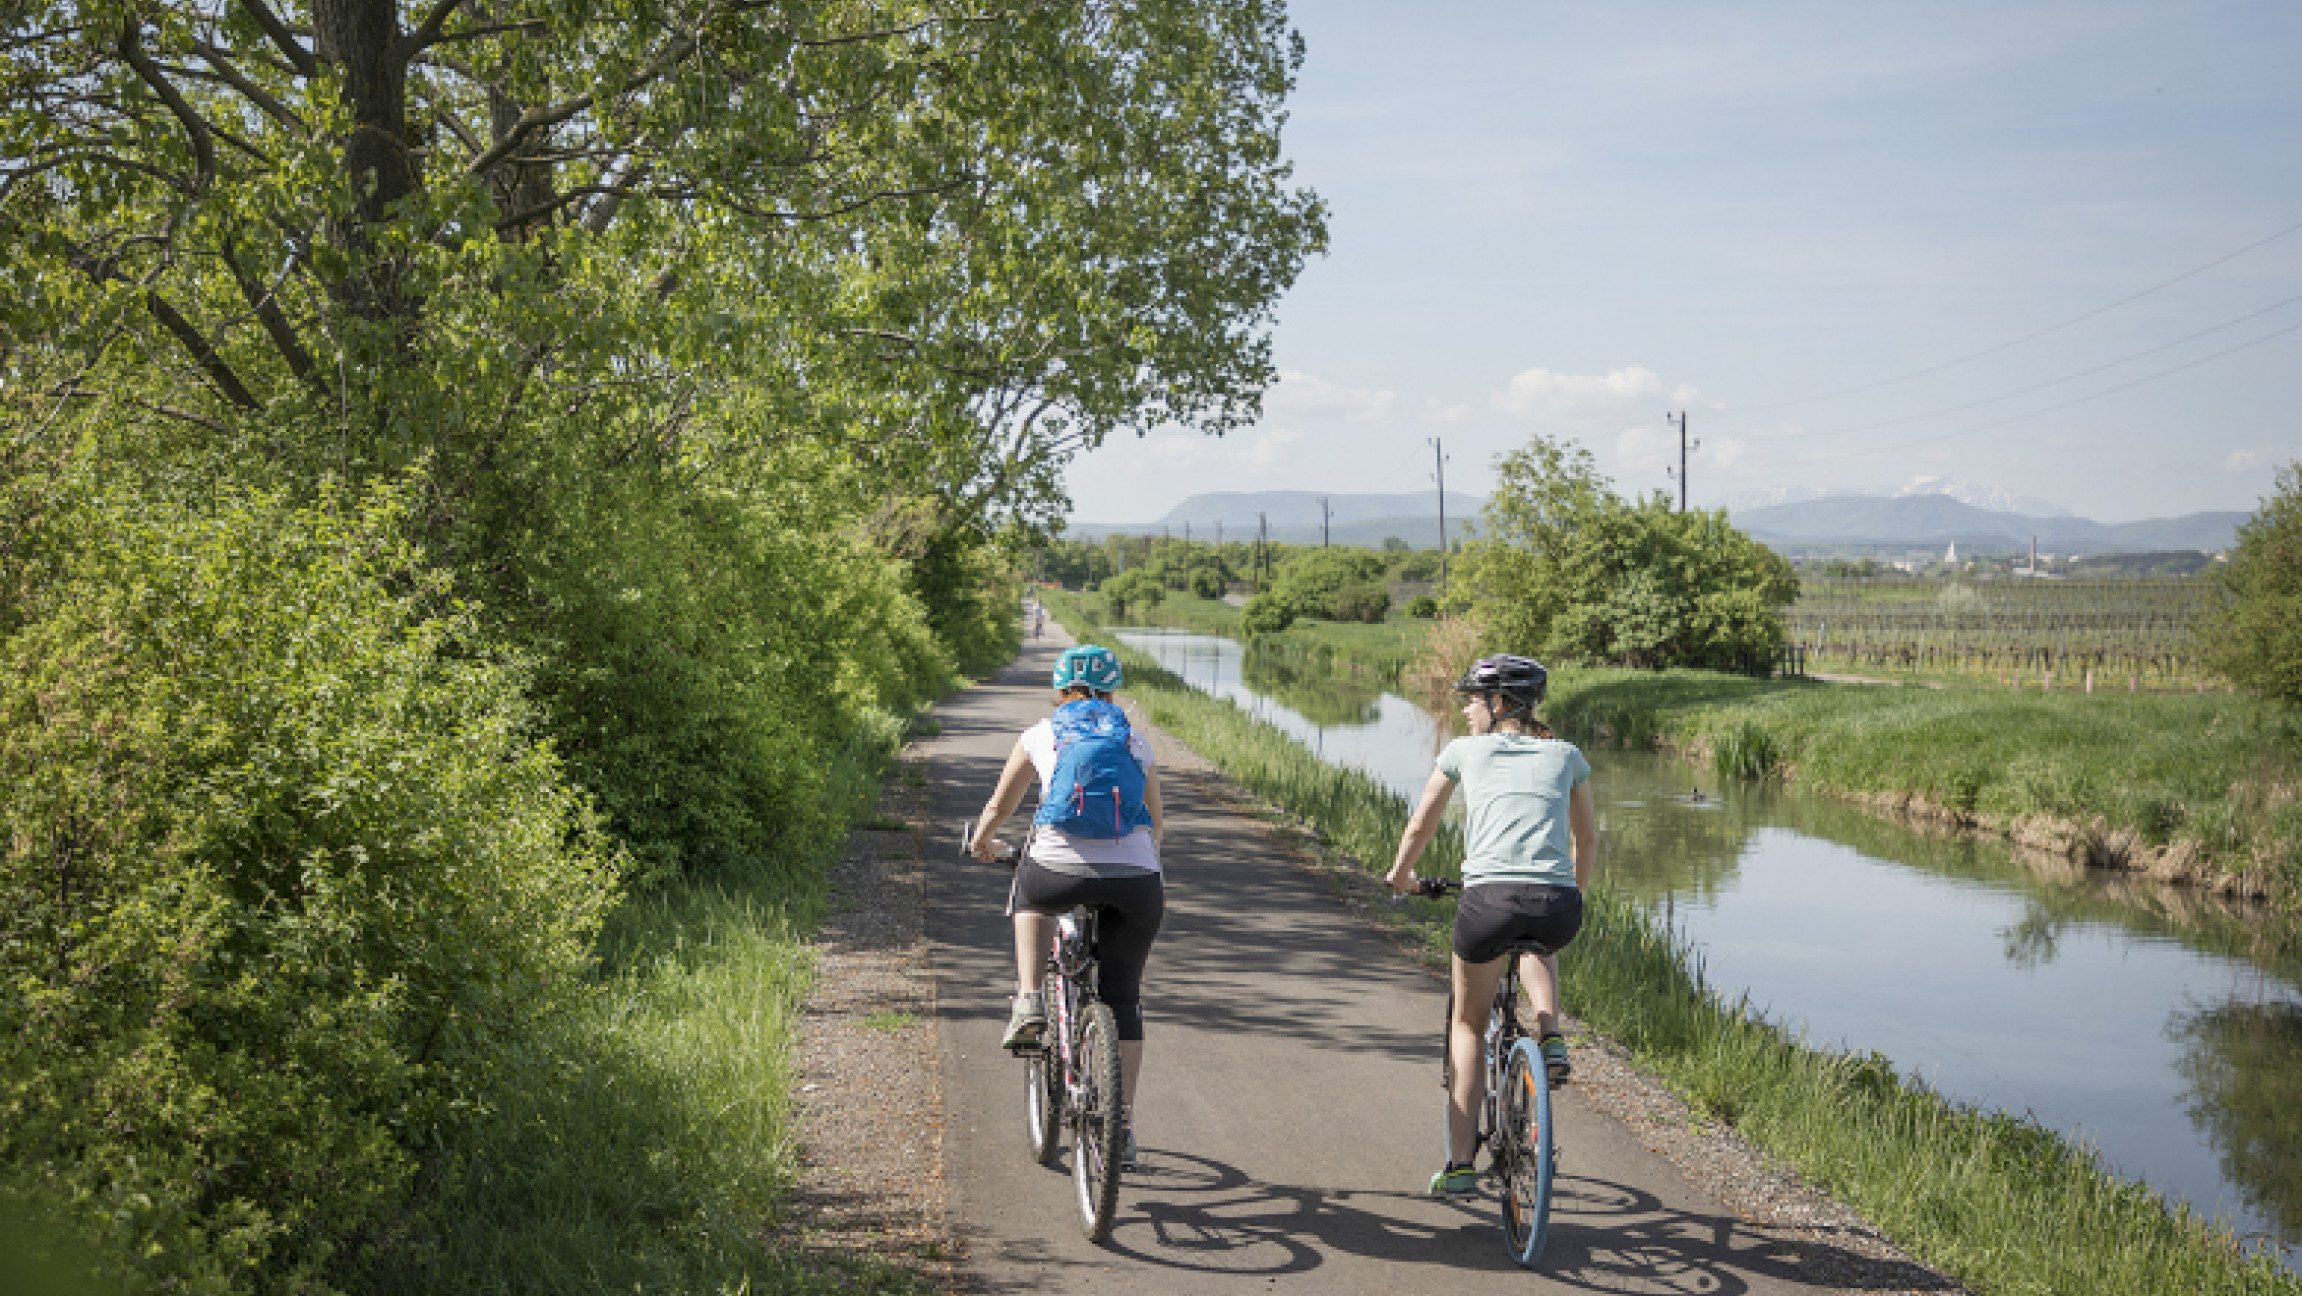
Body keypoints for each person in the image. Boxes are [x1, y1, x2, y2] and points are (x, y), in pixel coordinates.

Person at [1385, 653, 1597, 1199]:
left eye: (1472, 700)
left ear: (1499, 704)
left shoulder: (1461, 753)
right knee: (1538, 942)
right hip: (1555, 903)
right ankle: (1549, 1034)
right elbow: (1587, 842)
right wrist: (1573, 893)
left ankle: (1459, 1165)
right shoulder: (1567, 756)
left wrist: (1402, 876)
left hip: (1486, 903)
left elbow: (1420, 825)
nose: (1465, 709)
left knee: (1468, 1025)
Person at [968, 644, 1164, 1165]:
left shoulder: (1040, 734)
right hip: (1138, 879)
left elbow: (1001, 806)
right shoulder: (1136, 742)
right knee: (1123, 999)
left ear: (1060, 691)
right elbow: (1156, 824)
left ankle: (1030, 999)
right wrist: (1134, 867)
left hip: (1057, 870)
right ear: (1112, 691)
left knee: (1031, 895)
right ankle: (1119, 1129)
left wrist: (982, 842)